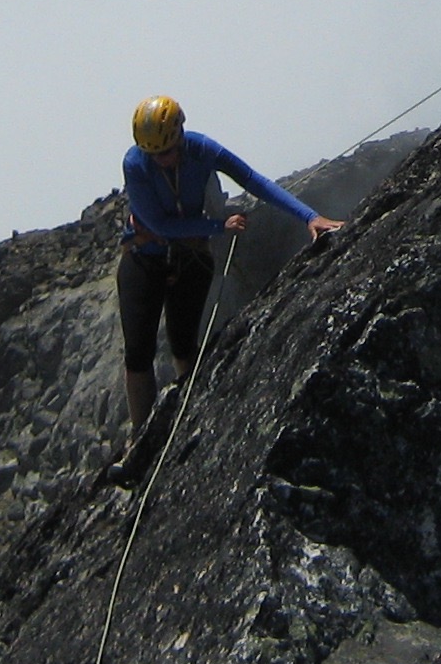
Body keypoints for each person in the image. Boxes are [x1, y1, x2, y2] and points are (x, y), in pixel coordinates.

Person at [115, 95, 342, 462]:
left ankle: (186, 422)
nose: (162, 160)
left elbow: (252, 180)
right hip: (146, 253)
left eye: (168, 151)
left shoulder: (203, 150)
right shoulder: (135, 163)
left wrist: (308, 217)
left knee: (183, 341)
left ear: (181, 136)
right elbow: (157, 223)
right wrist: (216, 225)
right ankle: (140, 442)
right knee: (137, 350)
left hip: (190, 255)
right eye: (155, 154)